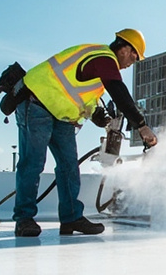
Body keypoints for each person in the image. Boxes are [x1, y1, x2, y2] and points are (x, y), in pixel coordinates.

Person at [12, 29, 158, 237]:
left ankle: (71, 219)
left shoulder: (100, 68)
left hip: (62, 117)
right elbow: (117, 90)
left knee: (69, 167)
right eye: (134, 57)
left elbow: (81, 94)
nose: (131, 63)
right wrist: (141, 125)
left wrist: (96, 115)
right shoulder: (104, 57)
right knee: (33, 162)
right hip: (36, 104)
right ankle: (24, 219)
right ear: (125, 48)